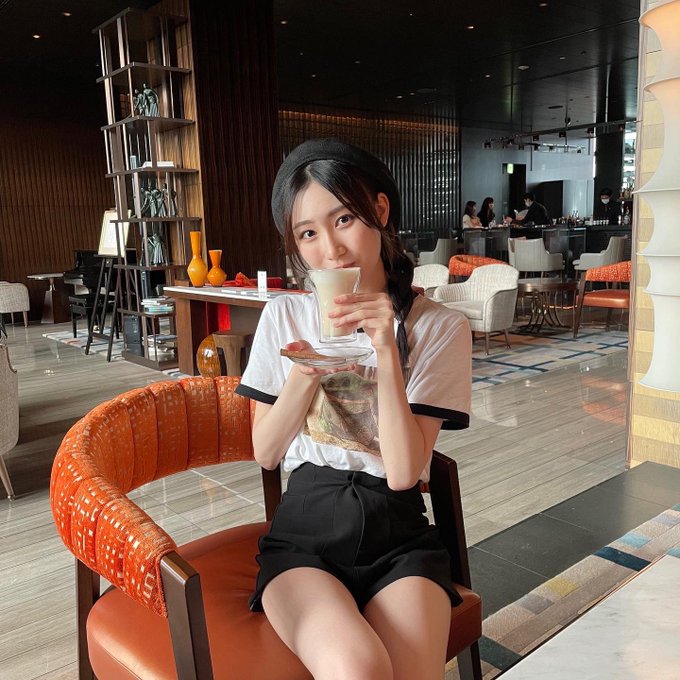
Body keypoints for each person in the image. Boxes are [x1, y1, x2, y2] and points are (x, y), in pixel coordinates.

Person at [235, 138, 472, 680]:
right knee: (358, 669)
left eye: (343, 219)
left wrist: (386, 348)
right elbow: (266, 453)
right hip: (304, 535)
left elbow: (404, 473)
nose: (331, 250)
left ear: (380, 210)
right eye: (308, 234)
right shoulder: (283, 317)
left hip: (399, 536)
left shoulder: (439, 327)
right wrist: (307, 368)